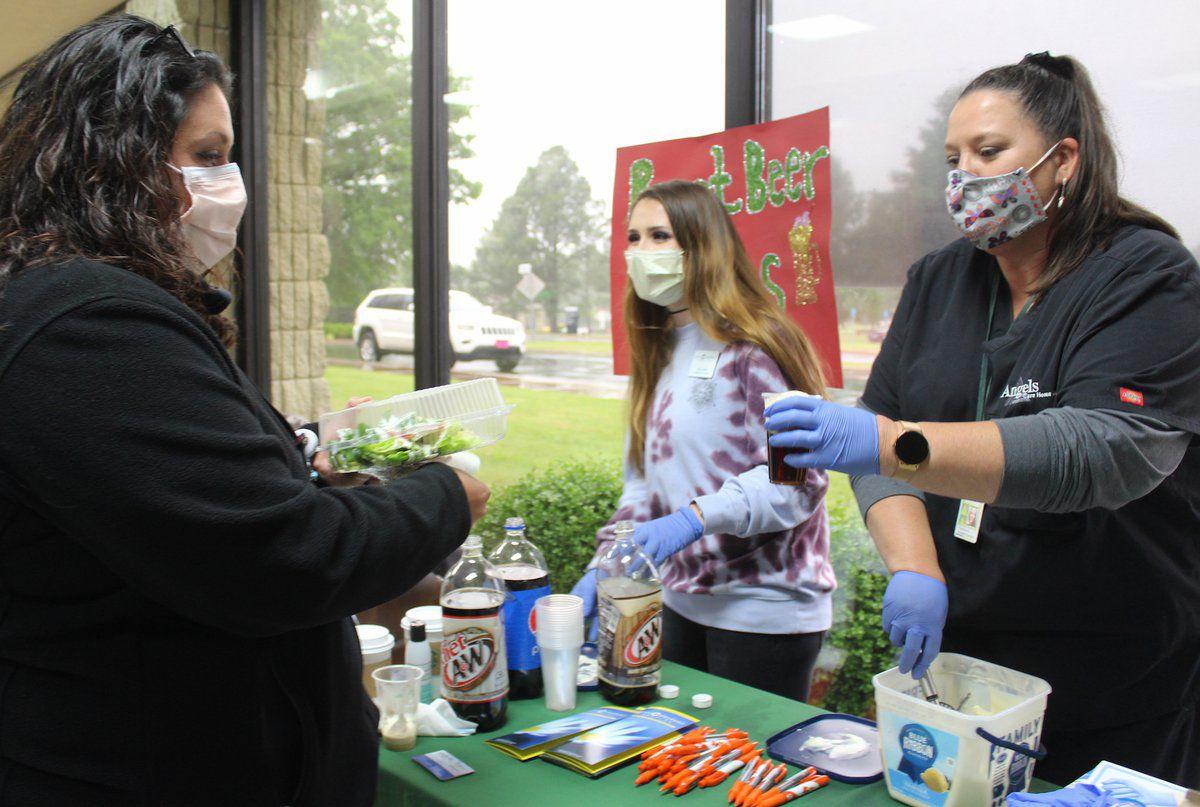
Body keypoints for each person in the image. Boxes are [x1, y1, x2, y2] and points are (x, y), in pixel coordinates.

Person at [0, 17, 489, 806]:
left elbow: (192, 508)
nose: (230, 185)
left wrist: (297, 463)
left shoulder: (82, 305)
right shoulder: (87, 323)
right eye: (207, 157)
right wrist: (442, 498)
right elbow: (284, 557)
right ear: (115, 159)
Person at [765, 52, 1200, 787]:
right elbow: (882, 420)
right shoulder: (941, 279)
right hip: (966, 667)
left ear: (1063, 160)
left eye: (988, 152)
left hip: (1118, 675)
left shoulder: (1147, 276)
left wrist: (888, 442)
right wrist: (915, 565)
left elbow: (1103, 450)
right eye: (952, 157)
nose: (963, 177)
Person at [571, 180, 835, 701]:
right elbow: (643, 487)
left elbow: (798, 480)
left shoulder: (756, 346)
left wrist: (695, 517)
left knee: (743, 770)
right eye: (633, 237)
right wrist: (604, 568)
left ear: (702, 245)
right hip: (677, 600)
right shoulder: (659, 350)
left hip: (765, 609)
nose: (641, 253)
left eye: (659, 236)